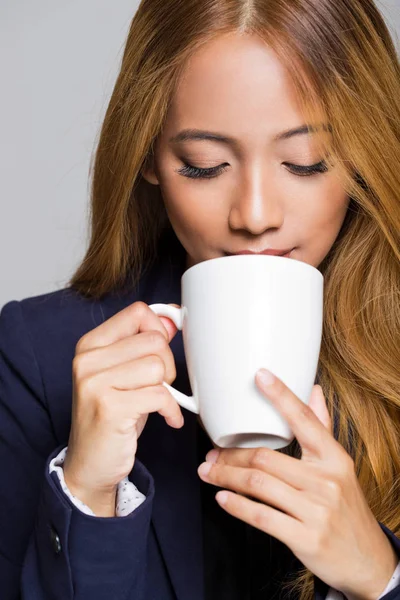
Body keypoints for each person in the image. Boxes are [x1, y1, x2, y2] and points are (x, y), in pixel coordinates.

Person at [1, 1, 399, 599]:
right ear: (150, 158)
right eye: (205, 166)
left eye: (305, 161)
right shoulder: (39, 355)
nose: (256, 216)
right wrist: (88, 495)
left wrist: (379, 576)